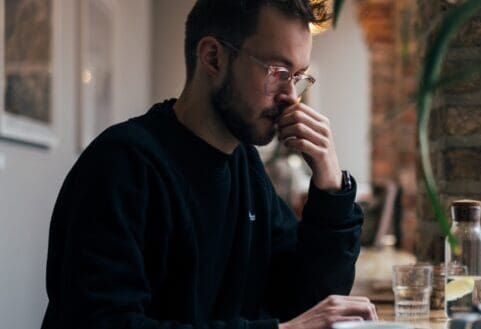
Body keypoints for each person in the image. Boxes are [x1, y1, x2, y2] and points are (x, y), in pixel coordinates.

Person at [41, 0, 377, 328]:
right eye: (279, 72)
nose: (291, 96)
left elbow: (308, 299)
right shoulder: (121, 165)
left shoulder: (245, 167)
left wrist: (330, 183)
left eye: (299, 76)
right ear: (213, 57)